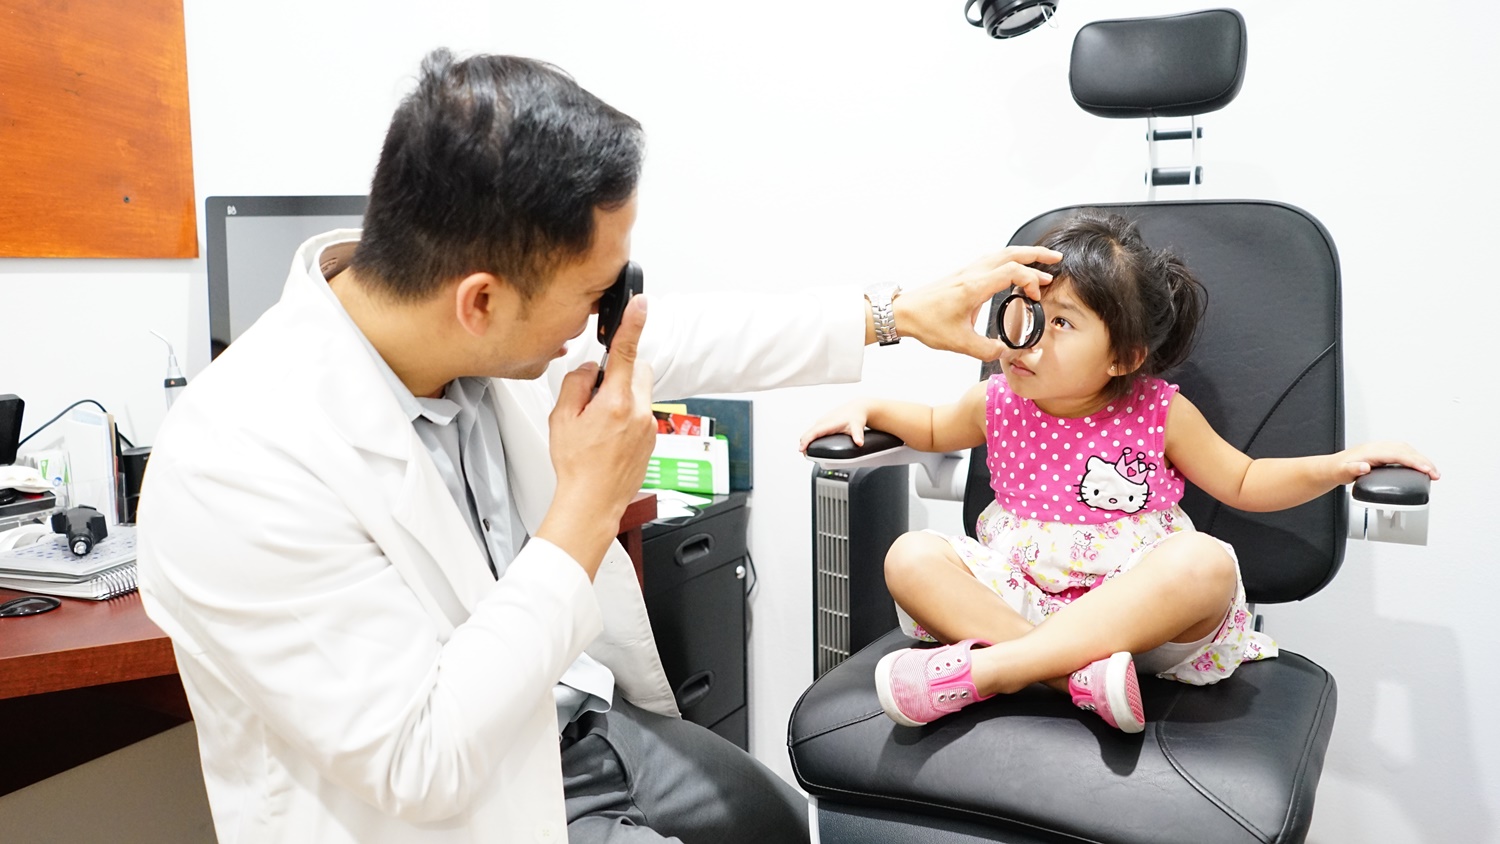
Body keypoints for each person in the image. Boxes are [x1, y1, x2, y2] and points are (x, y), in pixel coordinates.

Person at [135, 48, 1060, 843]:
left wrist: (892, 315)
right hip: (444, 806)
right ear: (483, 301)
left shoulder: (458, 325)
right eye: (595, 293)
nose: (607, 320)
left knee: (781, 823)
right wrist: (586, 506)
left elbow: (690, 335)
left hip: (572, 722)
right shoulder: (236, 462)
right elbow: (422, 761)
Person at [799, 208, 1440, 734]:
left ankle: (996, 671)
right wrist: (870, 405)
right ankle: (1066, 676)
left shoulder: (1160, 411)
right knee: (910, 556)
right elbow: (934, 426)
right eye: (1025, 311)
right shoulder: (996, 398)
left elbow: (1243, 482)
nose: (1027, 337)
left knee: (1206, 563)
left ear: (1123, 357)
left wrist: (1336, 466)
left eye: (1062, 323)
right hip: (1021, 600)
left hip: (1137, 624)